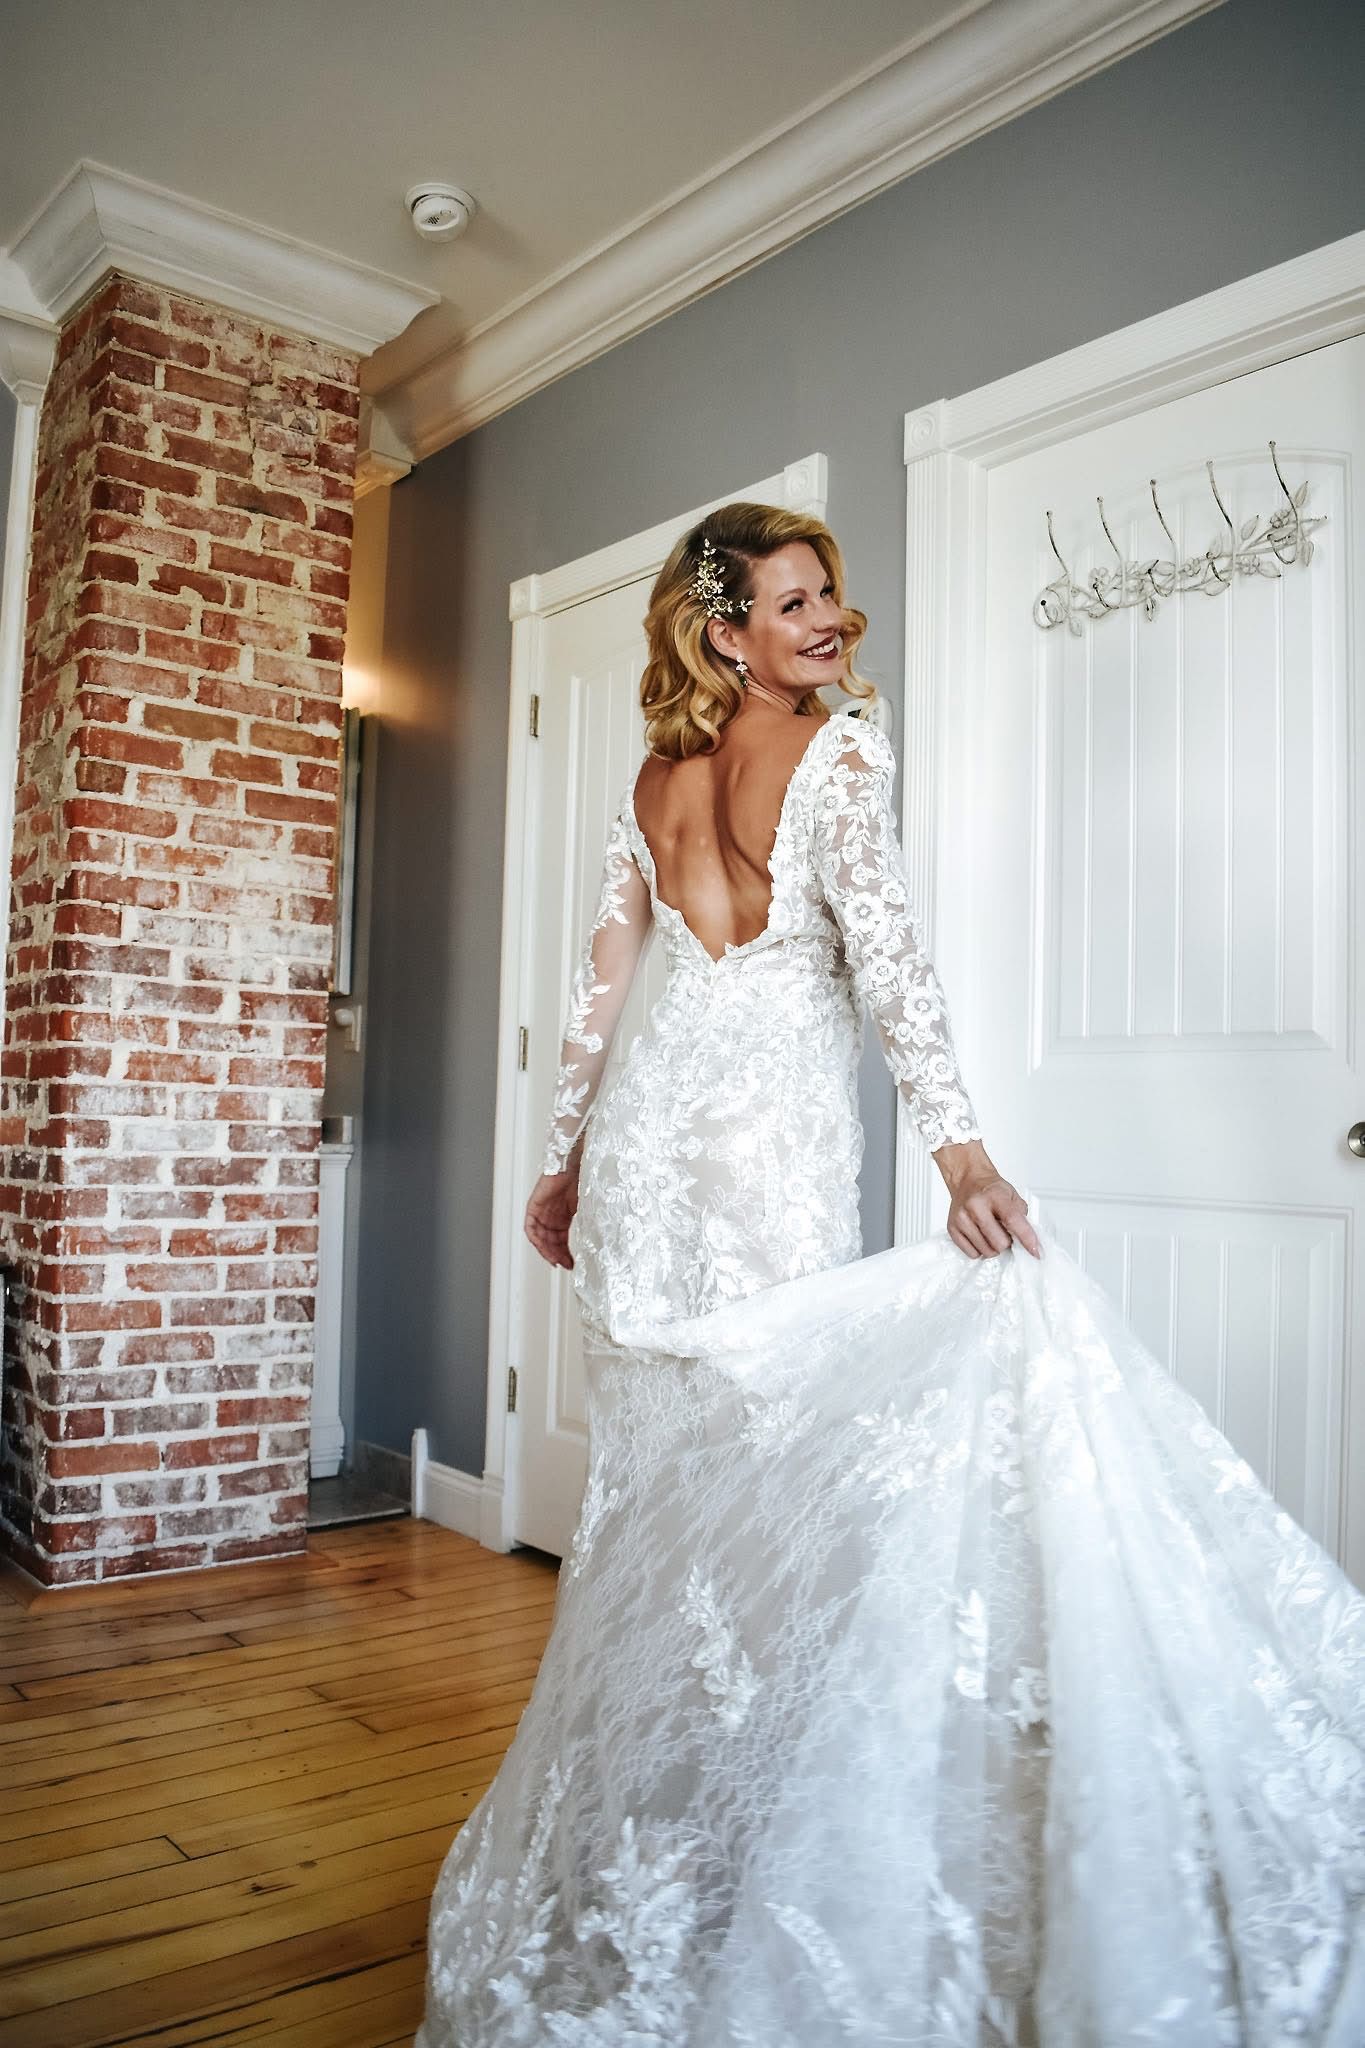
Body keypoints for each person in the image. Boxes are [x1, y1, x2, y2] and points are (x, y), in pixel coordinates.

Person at [416, 504, 1365, 2047]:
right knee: (773, 1485)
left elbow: (602, 991)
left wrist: (568, 1160)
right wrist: (962, 1158)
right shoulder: (841, 756)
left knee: (668, 1492)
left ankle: (663, 1826)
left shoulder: (652, 779)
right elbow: (894, 965)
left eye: (832, 599)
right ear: (724, 630)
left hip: (655, 1148)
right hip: (762, 1150)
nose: (833, 624)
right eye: (797, 603)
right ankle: (741, 1827)